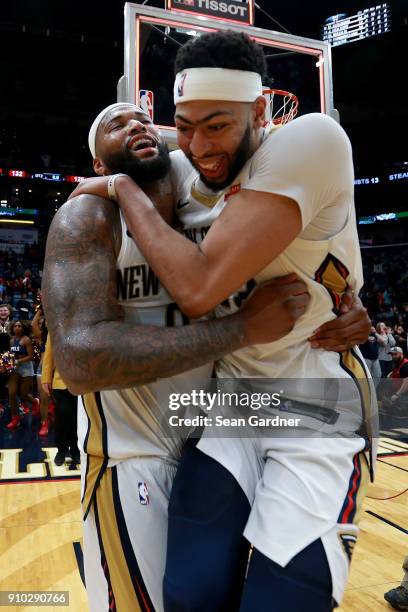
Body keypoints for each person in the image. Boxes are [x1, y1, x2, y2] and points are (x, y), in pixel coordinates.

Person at [69, 31, 378, 611]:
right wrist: (117, 180)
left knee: (283, 601)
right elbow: (139, 156)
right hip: (228, 403)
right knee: (189, 593)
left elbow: (201, 288)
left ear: (261, 110)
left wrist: (118, 189)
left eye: (218, 125)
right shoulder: (181, 168)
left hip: (314, 392)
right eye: (184, 125)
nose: (199, 144)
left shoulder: (311, 138)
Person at [41, 335, 79, 465]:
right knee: (62, 417)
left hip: (82, 382)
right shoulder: (55, 325)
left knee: (78, 418)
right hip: (60, 380)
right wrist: (46, 378)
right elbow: (49, 354)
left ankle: (76, 449)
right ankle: (61, 450)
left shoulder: (85, 322)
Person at [6, 320, 39, 429]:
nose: (17, 328)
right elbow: (11, 355)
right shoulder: (11, 341)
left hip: (26, 369)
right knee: (11, 393)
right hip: (15, 369)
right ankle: (15, 418)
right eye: (15, 326)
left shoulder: (26, 340)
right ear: (12, 328)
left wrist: (19, 361)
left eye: (19, 326)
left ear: (23, 328)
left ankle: (35, 402)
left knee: (23, 395)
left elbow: (31, 356)